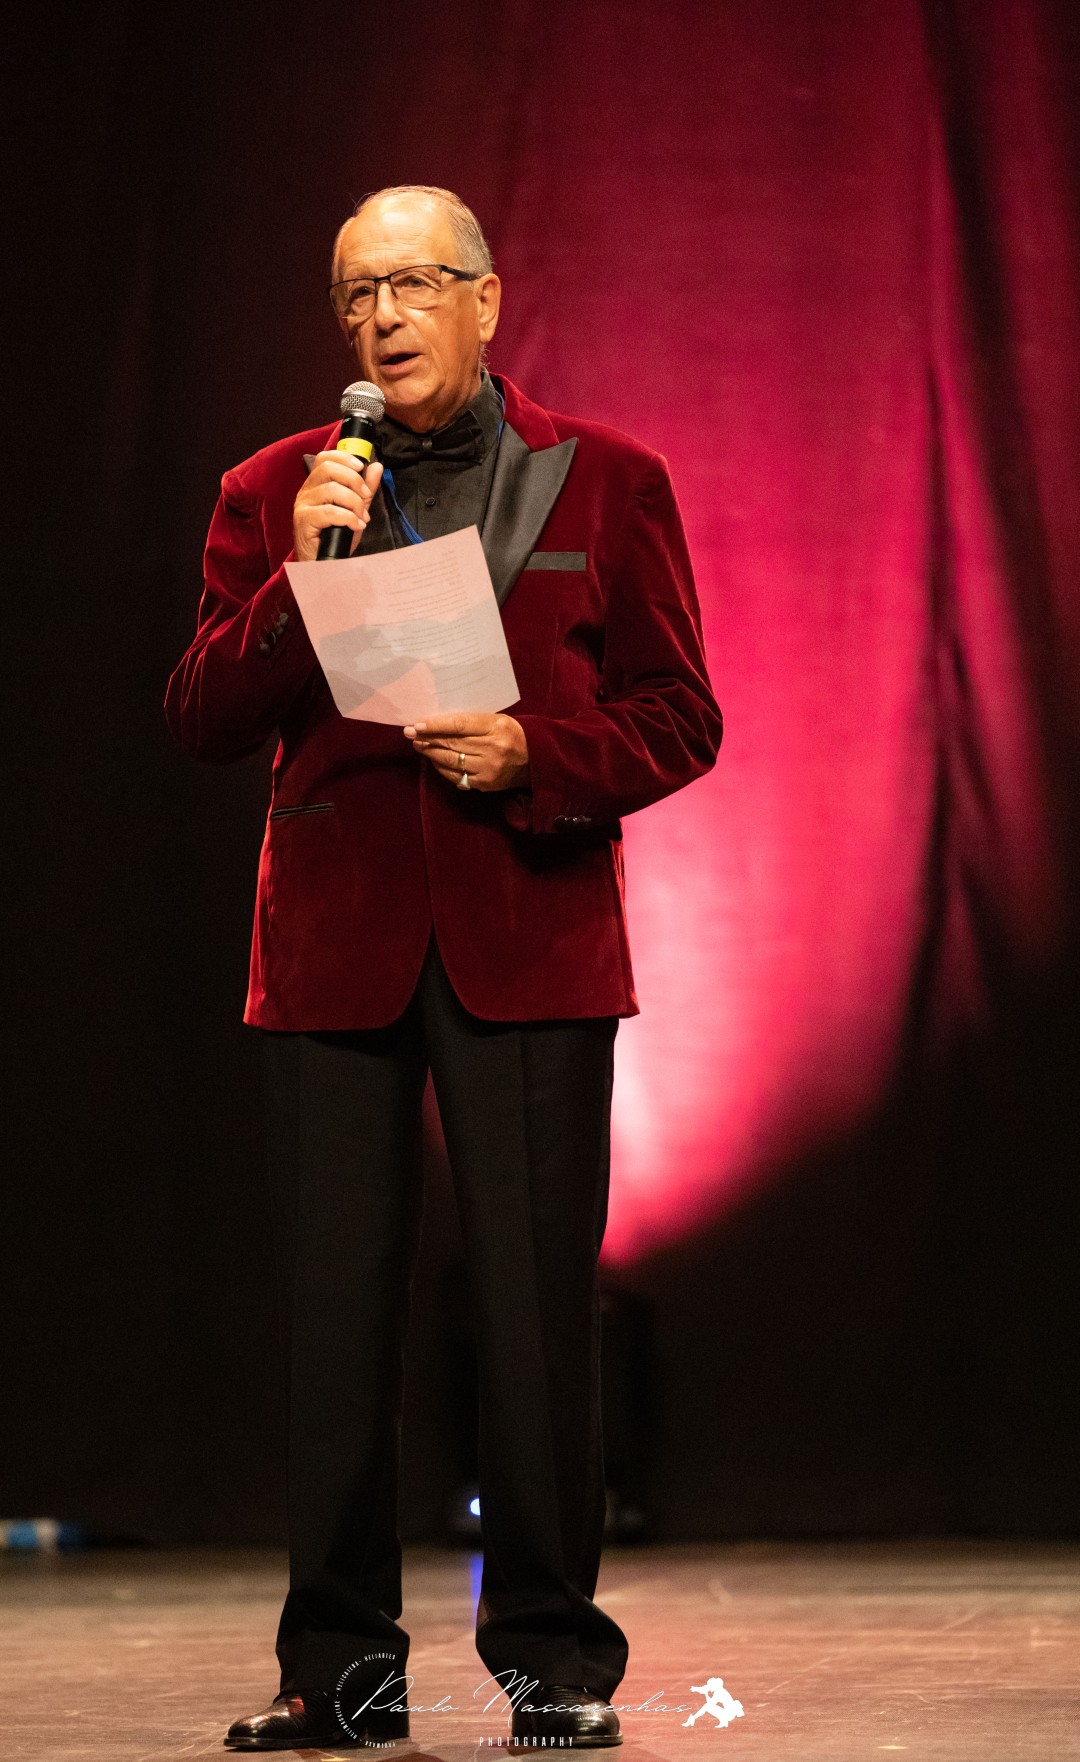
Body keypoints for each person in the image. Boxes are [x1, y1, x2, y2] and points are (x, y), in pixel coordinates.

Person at [165, 184, 722, 1753]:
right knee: (334, 1319)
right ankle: (337, 1672)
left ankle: (551, 1663)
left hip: (528, 928)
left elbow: (682, 714)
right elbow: (202, 714)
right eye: (356, 292)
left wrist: (538, 754)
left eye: (413, 282)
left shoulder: (609, 479)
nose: (383, 316)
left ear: (486, 298)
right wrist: (297, 575)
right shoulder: (275, 487)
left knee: (539, 1318)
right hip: (333, 945)